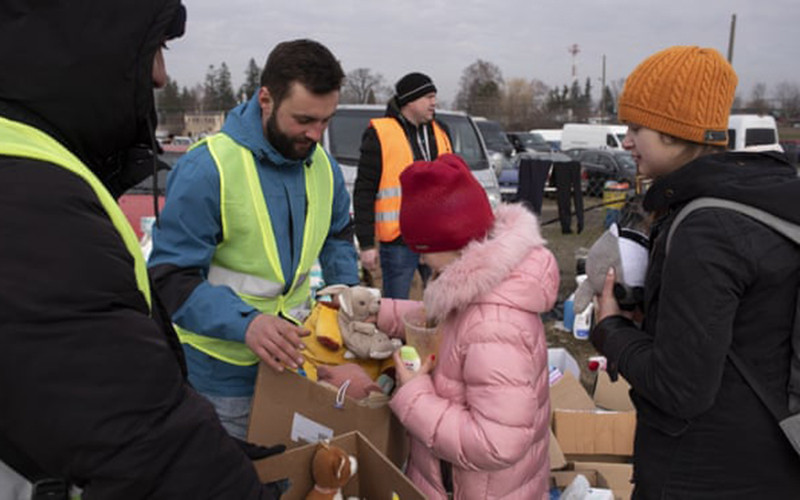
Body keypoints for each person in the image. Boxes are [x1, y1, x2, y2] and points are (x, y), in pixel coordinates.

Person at [0, 1, 288, 498]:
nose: (160, 76)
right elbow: (142, 446)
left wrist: (210, 446)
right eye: (156, 47)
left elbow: (99, 410)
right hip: (215, 367)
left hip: (243, 380)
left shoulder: (40, 179)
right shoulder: (30, 202)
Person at [590, 46, 800, 497]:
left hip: (704, 471)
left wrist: (610, 328)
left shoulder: (706, 226)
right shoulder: (767, 197)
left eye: (636, 127)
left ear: (676, 131)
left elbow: (680, 388)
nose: (626, 141)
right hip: (772, 456)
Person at [148, 39, 359, 439]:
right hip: (220, 376)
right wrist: (246, 324)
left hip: (295, 364)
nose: (316, 134)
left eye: (326, 121)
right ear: (266, 99)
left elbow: (336, 233)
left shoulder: (324, 167)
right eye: (303, 120)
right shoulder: (207, 168)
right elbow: (171, 278)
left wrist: (345, 293)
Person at [375, 154, 559, 499]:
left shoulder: (494, 325)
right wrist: (378, 312)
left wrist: (413, 392)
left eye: (422, 249)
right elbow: (446, 319)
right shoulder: (482, 286)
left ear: (446, 241)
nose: (421, 259)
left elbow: (496, 443)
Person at [353, 72, 453, 299]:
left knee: (443, 304)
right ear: (410, 100)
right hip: (399, 240)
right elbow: (364, 191)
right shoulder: (380, 134)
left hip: (438, 238)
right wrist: (367, 244)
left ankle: (434, 336)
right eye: (428, 97)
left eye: (434, 96)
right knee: (396, 306)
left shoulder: (441, 131)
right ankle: (397, 337)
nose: (434, 103)